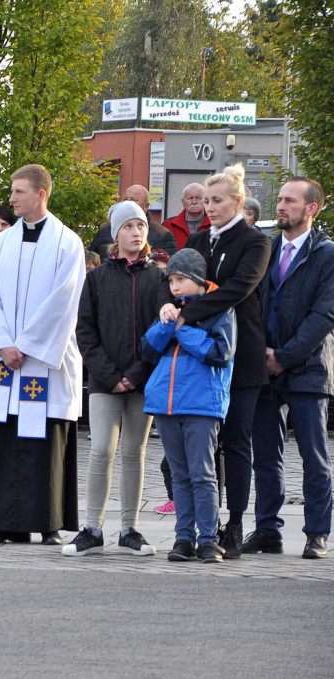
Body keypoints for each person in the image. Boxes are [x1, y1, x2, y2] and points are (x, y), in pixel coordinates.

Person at [0, 164, 85, 546]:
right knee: (4, 435)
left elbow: (64, 303)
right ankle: (6, 522)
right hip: (7, 360)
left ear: (40, 194)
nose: (11, 198)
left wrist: (28, 347)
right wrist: (3, 344)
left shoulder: (68, 243)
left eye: (18, 192)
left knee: (42, 439)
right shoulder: (2, 244)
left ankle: (47, 522)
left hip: (44, 360)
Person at [170, 164, 271, 558]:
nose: (208, 207)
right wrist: (175, 308)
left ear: (238, 201)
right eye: (206, 200)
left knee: (236, 442)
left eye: (217, 200)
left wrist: (187, 313)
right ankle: (198, 526)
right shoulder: (197, 240)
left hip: (240, 356)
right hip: (199, 357)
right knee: (200, 446)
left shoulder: (255, 241)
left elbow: (238, 289)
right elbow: (178, 284)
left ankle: (235, 523)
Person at [64, 201, 166, 557]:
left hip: (143, 380)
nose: (136, 233)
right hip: (106, 382)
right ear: (115, 233)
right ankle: (92, 527)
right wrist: (109, 375)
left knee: (134, 452)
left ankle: (130, 528)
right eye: (128, 227)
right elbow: (85, 331)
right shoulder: (97, 278)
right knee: (101, 449)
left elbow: (162, 330)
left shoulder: (158, 277)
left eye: (141, 226)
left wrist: (136, 374)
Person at [247, 177, 333, 560]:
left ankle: (317, 532)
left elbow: (324, 315)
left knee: (314, 456)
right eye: (279, 199)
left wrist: (285, 355)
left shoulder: (326, 254)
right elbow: (253, 305)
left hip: (308, 370)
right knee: (265, 455)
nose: (280, 206)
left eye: (290, 201)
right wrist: (262, 353)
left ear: (311, 208)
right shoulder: (266, 248)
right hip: (265, 369)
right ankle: (267, 529)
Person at [142, 249, 236, 564]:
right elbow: (148, 349)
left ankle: (209, 540)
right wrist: (166, 323)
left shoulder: (220, 307)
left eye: (180, 279)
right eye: (171, 281)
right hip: (166, 405)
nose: (175, 286)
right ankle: (184, 539)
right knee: (179, 476)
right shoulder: (172, 309)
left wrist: (183, 329)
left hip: (202, 405)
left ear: (197, 279)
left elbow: (220, 353)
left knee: (202, 475)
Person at [89, 184, 177, 259]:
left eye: (134, 200)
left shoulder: (162, 234)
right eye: (125, 199)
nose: (128, 203)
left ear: (146, 206)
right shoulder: (105, 228)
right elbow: (92, 259)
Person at [163, 182, 211, 249]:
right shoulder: (169, 225)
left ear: (206, 201)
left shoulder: (215, 224)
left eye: (199, 198)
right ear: (183, 202)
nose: (194, 202)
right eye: (190, 198)